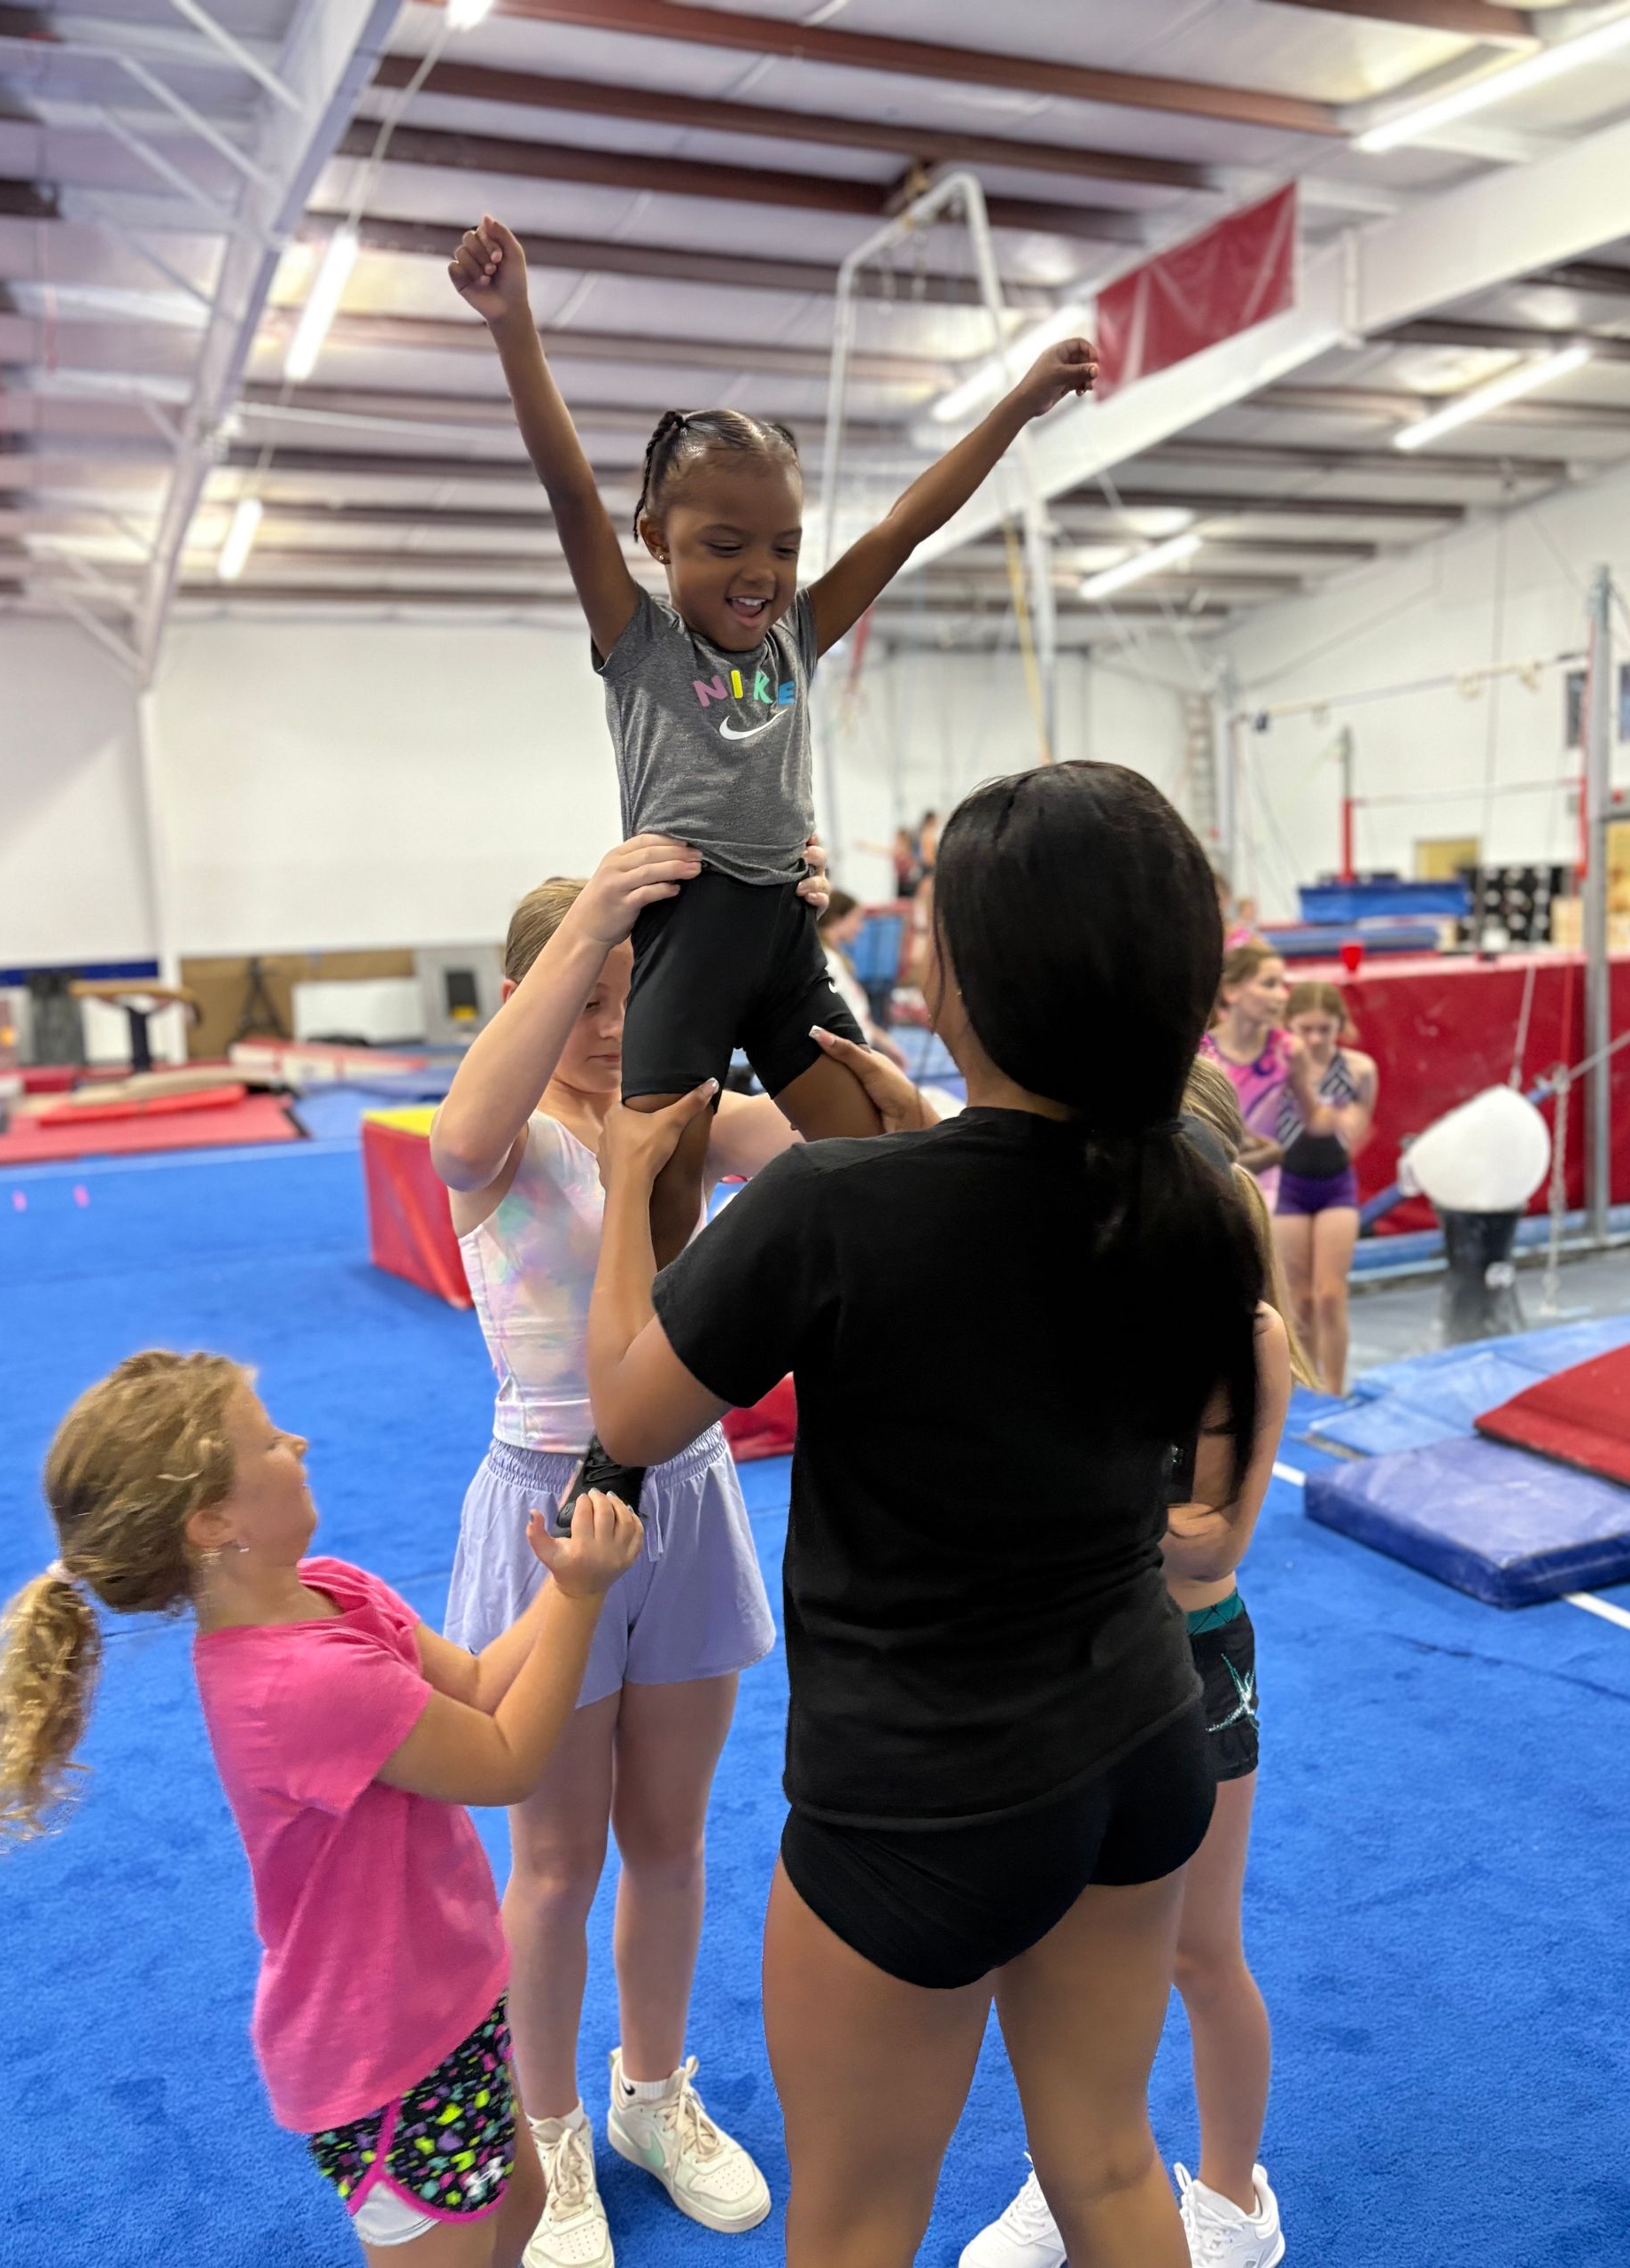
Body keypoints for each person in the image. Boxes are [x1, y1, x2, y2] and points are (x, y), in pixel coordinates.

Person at [583, 761, 1292, 2268]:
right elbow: (1009, 1240)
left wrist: (641, 1170)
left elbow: (629, 1417)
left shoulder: (832, 1211)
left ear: (958, 983)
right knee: (1108, 2167)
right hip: (1135, 1746)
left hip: (918, 1803)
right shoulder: (1190, 1190)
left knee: (853, 2227)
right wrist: (916, 1148)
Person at [447, 210, 1097, 1510]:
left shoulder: (797, 636)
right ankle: (625, 1442)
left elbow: (909, 523)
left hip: (786, 940)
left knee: (884, 1152)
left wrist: (1018, 405)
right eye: (721, 544)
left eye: (782, 545)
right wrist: (515, 326)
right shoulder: (639, 644)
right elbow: (567, 485)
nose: (759, 571)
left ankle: (942, 1356)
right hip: (685, 941)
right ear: (657, 540)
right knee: (666, 1195)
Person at [0, 1350, 643, 2267]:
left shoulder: (334, 1590)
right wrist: (579, 1595)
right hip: (386, 2048)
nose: (300, 1438)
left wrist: (563, 1570)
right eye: (269, 1440)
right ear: (215, 1522)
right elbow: (507, 1760)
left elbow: (482, 1682)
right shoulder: (298, 1682)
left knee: (519, 2211)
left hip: (451, 1993)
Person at [431, 839, 813, 2268]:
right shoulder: (506, 1141)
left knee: (669, 1837)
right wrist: (594, 913)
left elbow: (847, 1148)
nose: (610, 1025)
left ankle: (652, 2095)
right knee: (555, 1859)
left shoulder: (685, 1116)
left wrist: (777, 943)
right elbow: (460, 1139)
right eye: (583, 997)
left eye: (633, 995)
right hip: (547, 1501)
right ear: (535, 994)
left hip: (693, 1492)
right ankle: (548, 2141)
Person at [961, 1060, 1313, 2268]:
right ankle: (1072, 2172)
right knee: (1053, 1947)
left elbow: (1215, 1539)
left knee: (1196, 1951)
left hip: (1192, 1658)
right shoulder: (1080, 1311)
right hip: (1074, 1649)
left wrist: (1070, 1481)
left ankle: (1230, 2201)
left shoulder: (1248, 1338)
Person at [1274, 982, 1378, 1396]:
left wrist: (1350, 1120)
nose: (1316, 1039)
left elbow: (1360, 1127)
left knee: (1330, 1295)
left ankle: (1335, 1389)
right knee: (1299, 1301)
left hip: (1335, 1185)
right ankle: (1309, 1384)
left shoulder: (1359, 1069)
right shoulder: (1279, 1067)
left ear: (1341, 1024)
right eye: (1306, 1029)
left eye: (1325, 1029)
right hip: (1289, 1187)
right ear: (1288, 1026)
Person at [1200, 944, 1310, 1209]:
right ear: (1232, 991)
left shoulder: (1289, 1051)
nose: (1282, 996)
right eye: (1269, 984)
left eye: (1283, 985)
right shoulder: (1204, 1053)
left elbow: (1311, 1124)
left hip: (1274, 1189)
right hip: (1215, 1183)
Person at [817, 891, 909, 1068]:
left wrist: (883, 1041)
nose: (860, 928)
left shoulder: (836, 958)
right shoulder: (827, 960)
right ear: (838, 920)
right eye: (856, 920)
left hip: (856, 1052)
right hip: (847, 1056)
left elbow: (854, 1012)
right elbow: (837, 1015)